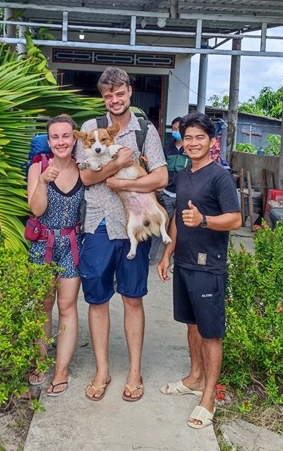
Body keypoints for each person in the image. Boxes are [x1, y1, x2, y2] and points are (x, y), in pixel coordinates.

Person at [76, 67, 168, 403]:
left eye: (120, 93)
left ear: (129, 92)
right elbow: (85, 178)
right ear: (103, 98)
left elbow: (160, 178)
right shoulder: (90, 129)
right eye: (108, 95)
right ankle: (102, 371)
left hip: (137, 227)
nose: (115, 100)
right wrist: (116, 165)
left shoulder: (146, 131)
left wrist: (122, 183)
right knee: (97, 300)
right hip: (98, 224)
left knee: (132, 298)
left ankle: (134, 372)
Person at [156, 112, 242, 429]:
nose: (192, 143)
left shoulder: (219, 177)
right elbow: (179, 217)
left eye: (199, 138)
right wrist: (167, 254)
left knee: (210, 332)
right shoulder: (185, 174)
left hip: (209, 265)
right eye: (187, 137)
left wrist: (205, 221)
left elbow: (235, 219)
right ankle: (194, 377)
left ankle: (208, 397)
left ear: (211, 142)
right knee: (192, 324)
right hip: (185, 261)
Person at [26, 114, 84, 396]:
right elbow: (36, 210)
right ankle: (39, 362)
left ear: (74, 138)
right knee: (42, 306)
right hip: (43, 245)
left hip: (71, 245)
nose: (61, 142)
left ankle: (61, 371)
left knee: (68, 307)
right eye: (55, 137)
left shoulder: (83, 168)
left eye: (66, 136)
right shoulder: (39, 166)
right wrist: (44, 182)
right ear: (48, 141)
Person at [150, 116, 190, 263]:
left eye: (178, 129)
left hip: (184, 194)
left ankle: (179, 258)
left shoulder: (190, 149)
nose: (175, 132)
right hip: (166, 193)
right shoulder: (166, 148)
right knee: (159, 223)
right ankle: (150, 256)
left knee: (182, 227)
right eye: (173, 129)